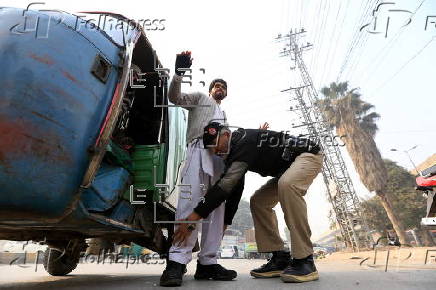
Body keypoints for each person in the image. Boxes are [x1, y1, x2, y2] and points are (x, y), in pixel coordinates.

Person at [173, 123, 324, 283]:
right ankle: (279, 258)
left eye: (215, 144)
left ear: (226, 135)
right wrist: (225, 222)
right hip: (286, 169)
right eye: (211, 148)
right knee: (258, 202)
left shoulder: (243, 143)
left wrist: (192, 218)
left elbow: (223, 188)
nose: (215, 151)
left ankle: (305, 260)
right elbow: (235, 190)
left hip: (308, 154)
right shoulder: (236, 155)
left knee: (287, 185)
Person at [160, 52, 237, 287]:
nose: (220, 88)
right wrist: (179, 74)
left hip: (218, 161)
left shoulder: (224, 116)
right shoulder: (201, 98)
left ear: (226, 93)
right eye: (217, 85)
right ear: (212, 89)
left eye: (224, 87)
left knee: (215, 209)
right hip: (197, 151)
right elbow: (175, 97)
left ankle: (207, 263)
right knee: (190, 201)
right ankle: (176, 262)